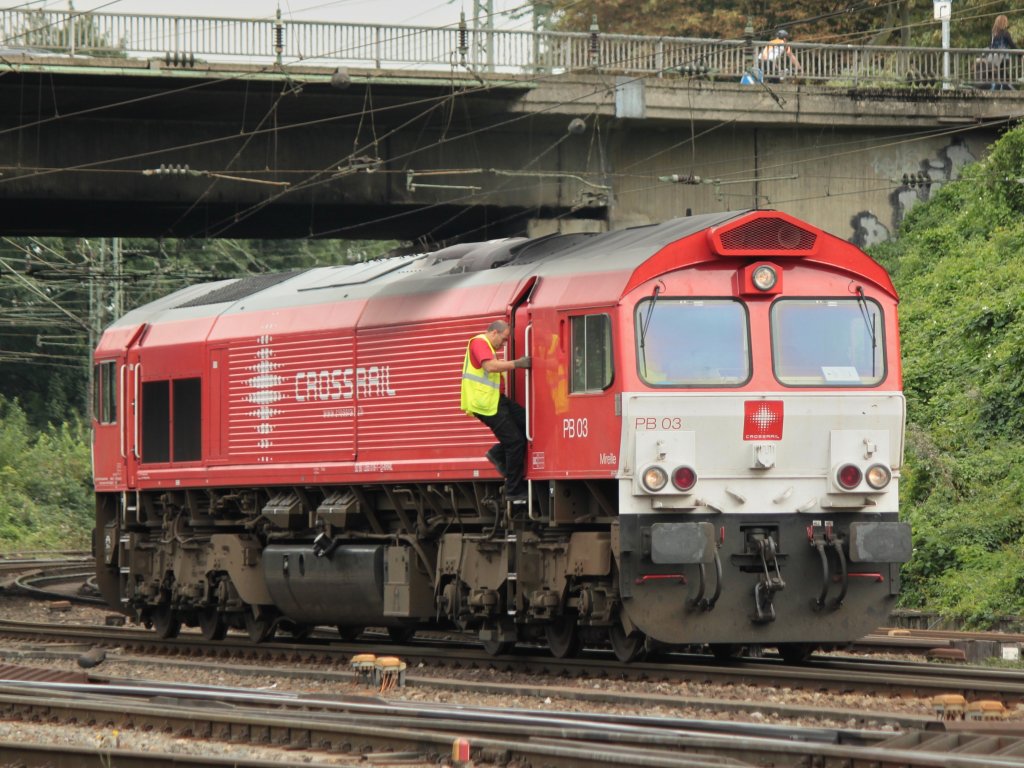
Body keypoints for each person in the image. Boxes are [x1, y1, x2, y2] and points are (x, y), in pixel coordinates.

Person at [460, 320, 532, 501]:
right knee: (515, 442)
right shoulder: (479, 342)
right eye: (504, 338)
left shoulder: (487, 346)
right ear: (494, 333)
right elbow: (490, 366)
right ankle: (513, 490)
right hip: (485, 404)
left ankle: (497, 453)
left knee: (529, 424)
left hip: (496, 400)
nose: (504, 343)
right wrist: (518, 363)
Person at [985, 14, 1016, 90]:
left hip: (995, 58)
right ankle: (1006, 89)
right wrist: (1021, 54)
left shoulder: (993, 33)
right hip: (1004, 58)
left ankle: (999, 88)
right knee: (1003, 75)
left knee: (998, 75)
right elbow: (1012, 46)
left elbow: (991, 46)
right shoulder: (1005, 33)